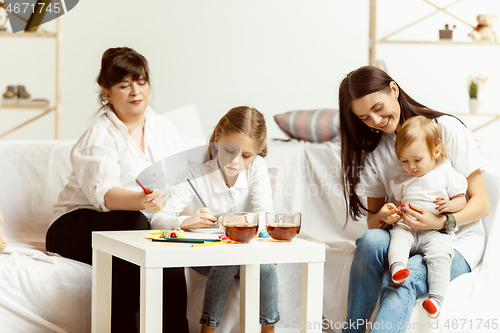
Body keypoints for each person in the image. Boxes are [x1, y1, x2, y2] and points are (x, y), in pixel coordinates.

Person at [46, 47, 189, 333]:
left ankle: (175, 328)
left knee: (164, 237)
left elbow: (181, 182)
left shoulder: (164, 127)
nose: (136, 91)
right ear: (107, 92)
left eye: (142, 82)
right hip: (73, 225)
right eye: (124, 85)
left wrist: (183, 220)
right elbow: (106, 195)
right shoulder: (99, 134)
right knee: (136, 228)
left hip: (135, 221)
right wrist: (141, 200)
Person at [338, 65, 489, 332]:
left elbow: (480, 203)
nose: (375, 120)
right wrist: (384, 215)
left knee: (403, 279)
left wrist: (440, 221)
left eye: (378, 107)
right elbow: (374, 222)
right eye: (364, 118)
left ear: (393, 90)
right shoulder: (376, 152)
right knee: (370, 240)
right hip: (405, 235)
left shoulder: (445, 129)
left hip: (454, 240)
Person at [152, 106, 280, 333]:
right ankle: (207, 329)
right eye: (229, 150)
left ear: (257, 153)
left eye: (247, 156)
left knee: (267, 263)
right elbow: (158, 219)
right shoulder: (196, 175)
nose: (236, 162)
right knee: (228, 254)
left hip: (249, 257)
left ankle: (268, 330)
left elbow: (264, 214)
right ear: (218, 139)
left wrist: (233, 221)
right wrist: (185, 222)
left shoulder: (257, 168)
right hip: (208, 258)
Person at [388, 116, 468, 319]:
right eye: (404, 161)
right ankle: (398, 268)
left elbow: (461, 200)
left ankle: (436, 299)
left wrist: (450, 206)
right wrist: (395, 212)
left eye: (417, 160)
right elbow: (399, 203)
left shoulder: (445, 173)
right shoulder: (402, 179)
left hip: (435, 231)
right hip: (408, 227)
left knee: (441, 256)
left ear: (436, 152)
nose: (411, 167)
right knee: (398, 237)